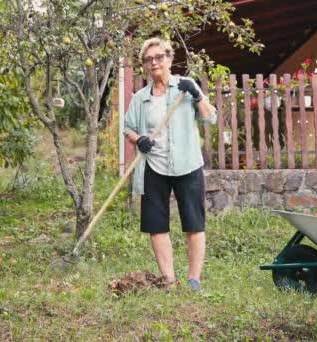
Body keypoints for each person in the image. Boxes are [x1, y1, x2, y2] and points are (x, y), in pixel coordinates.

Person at [124, 37, 217, 291]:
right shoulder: (140, 98)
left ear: (169, 58)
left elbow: (210, 118)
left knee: (194, 223)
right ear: (144, 65)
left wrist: (197, 95)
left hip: (188, 164)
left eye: (159, 57)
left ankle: (194, 280)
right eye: (148, 59)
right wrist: (139, 139)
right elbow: (127, 128)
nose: (154, 62)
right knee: (156, 224)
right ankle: (169, 280)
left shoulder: (185, 89)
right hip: (154, 166)